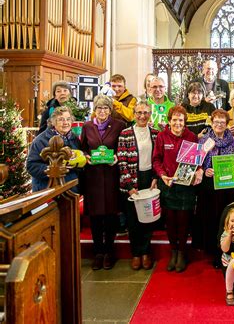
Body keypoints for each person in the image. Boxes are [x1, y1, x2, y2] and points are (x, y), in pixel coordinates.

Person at [152, 105, 204, 273]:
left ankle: (182, 253)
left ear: (185, 121)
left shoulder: (191, 137)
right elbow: (156, 160)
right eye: (174, 119)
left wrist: (199, 171)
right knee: (170, 221)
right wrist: (161, 175)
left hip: (186, 187)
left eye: (181, 120)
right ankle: (173, 252)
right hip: (167, 184)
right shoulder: (161, 136)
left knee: (183, 222)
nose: (177, 123)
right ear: (169, 121)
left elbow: (197, 160)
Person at [80, 95, 126, 270]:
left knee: (111, 216)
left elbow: (124, 147)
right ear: (94, 110)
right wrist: (86, 157)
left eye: (106, 108)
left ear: (110, 110)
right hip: (93, 178)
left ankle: (109, 252)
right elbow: (82, 148)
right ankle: (98, 252)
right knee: (95, 217)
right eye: (99, 108)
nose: (102, 111)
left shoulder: (119, 125)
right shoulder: (87, 126)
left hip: (112, 175)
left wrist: (117, 157)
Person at [194, 109, 234, 266]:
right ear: (211, 123)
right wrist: (205, 169)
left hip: (228, 186)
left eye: (222, 122)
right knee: (212, 218)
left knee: (228, 219)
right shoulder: (204, 141)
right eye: (216, 122)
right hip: (210, 186)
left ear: (227, 124)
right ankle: (215, 252)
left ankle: (228, 251)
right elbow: (197, 164)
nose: (219, 125)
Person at [118, 101, 160, 270]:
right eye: (139, 113)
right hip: (131, 180)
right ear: (134, 114)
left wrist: (156, 177)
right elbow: (121, 161)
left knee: (148, 218)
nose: (142, 116)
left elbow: (159, 158)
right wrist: (129, 185)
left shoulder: (156, 134)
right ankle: (136, 253)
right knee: (133, 219)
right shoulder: (125, 133)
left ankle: (146, 252)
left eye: (146, 112)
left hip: (148, 179)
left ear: (150, 114)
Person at [28, 106, 82, 193]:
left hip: (71, 189)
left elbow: (78, 162)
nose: (65, 123)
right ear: (53, 122)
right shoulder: (40, 140)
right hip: (47, 189)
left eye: (68, 119)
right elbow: (31, 166)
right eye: (61, 120)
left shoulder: (74, 139)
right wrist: (53, 170)